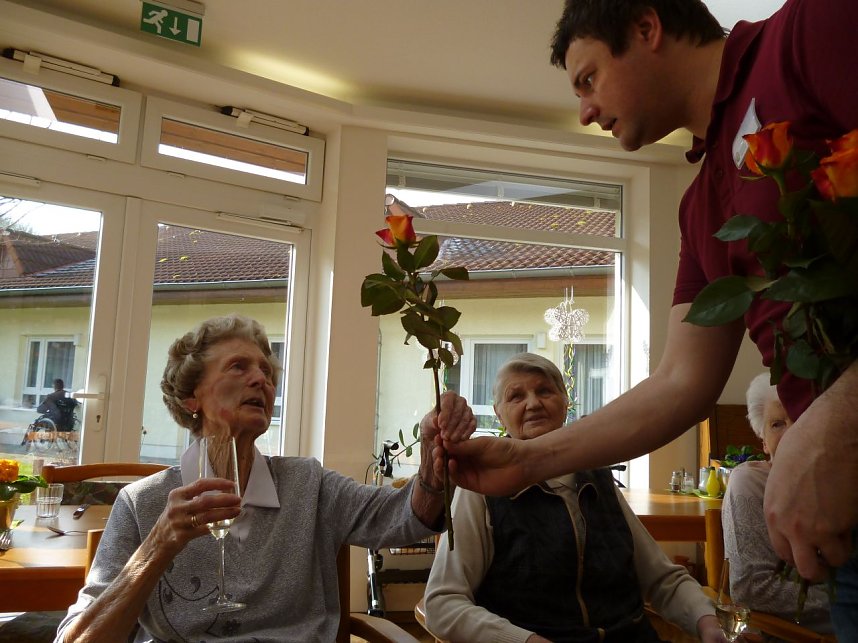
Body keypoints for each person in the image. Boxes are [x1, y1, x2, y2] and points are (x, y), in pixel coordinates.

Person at [438, 0, 858, 638]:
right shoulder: (701, 204)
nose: (584, 110)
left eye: (588, 79)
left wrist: (836, 419)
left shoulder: (810, 33)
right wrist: (527, 463)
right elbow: (679, 384)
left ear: (646, 27)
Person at [54, 314, 475, 642]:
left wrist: (430, 465)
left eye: (267, 372)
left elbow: (404, 518)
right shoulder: (143, 503)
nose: (262, 379)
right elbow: (81, 638)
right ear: (191, 397)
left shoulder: (308, 484)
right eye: (238, 367)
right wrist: (159, 544)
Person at [425, 353, 723, 643]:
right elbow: (443, 603)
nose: (533, 403)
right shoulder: (481, 489)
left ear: (565, 402)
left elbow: (662, 580)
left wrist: (707, 620)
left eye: (544, 390)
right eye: (516, 396)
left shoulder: (598, 477)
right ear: (498, 412)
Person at [722, 374, 832, 634]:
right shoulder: (750, 482)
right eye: (777, 424)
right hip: (793, 636)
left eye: (802, 418)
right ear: (763, 442)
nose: (793, 432)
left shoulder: (842, 483)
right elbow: (751, 589)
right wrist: (846, 597)